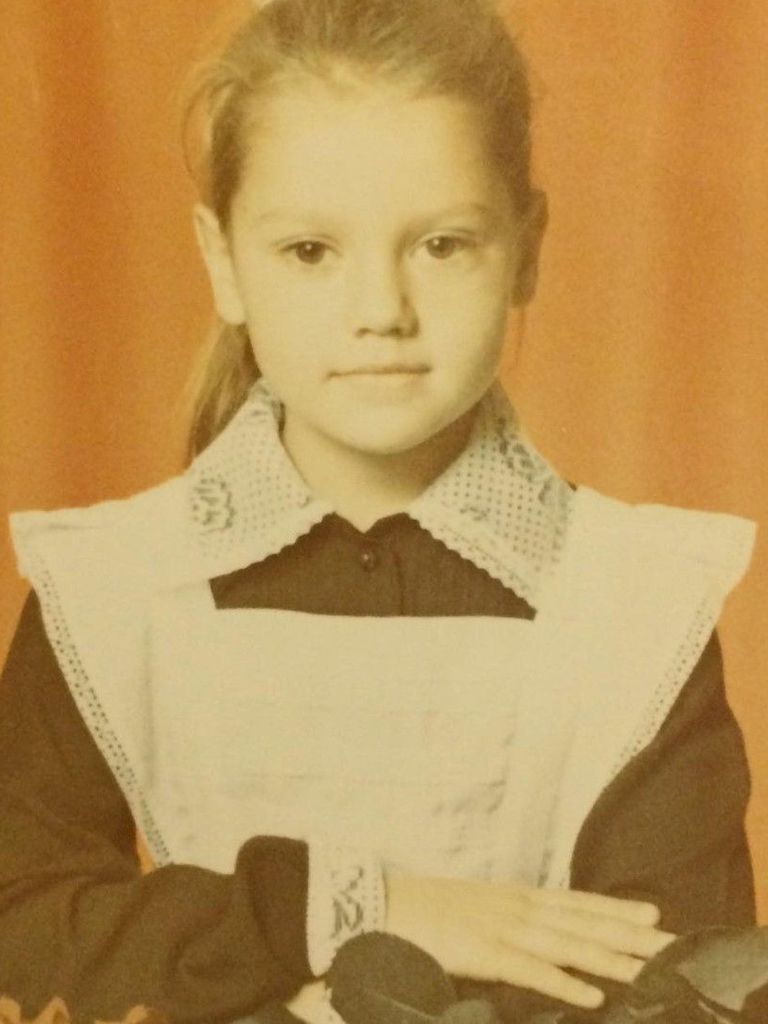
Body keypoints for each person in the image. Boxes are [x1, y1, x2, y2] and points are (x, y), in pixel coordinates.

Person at [0, 1, 757, 1022]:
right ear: (222, 261)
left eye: (441, 244)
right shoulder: (109, 589)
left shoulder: (636, 604)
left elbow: (690, 985)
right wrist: (353, 908)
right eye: (311, 250)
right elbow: (23, 925)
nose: (381, 311)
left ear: (528, 248)